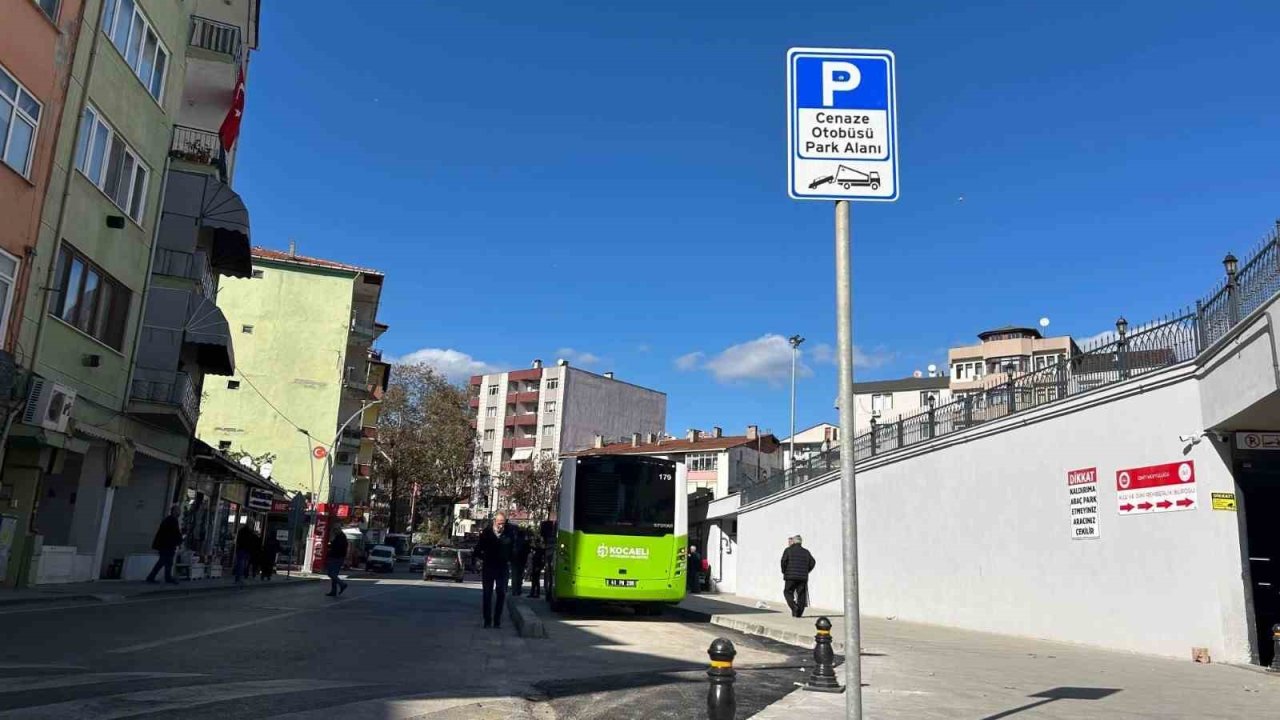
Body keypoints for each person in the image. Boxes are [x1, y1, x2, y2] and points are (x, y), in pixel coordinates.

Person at [475, 512, 516, 628]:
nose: (501, 526)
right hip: (489, 566)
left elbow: (513, 549)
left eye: (503, 523)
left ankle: (497, 620)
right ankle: (487, 620)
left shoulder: (509, 534)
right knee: (487, 594)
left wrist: (511, 559)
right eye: (499, 523)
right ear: (494, 522)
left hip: (502, 567)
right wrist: (481, 559)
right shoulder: (486, 533)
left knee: (501, 593)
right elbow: (478, 549)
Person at [781, 534, 816, 618]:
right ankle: (798, 613)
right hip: (802, 577)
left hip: (790, 577)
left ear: (794, 541)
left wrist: (785, 571)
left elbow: (783, 562)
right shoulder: (806, 552)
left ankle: (794, 607)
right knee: (801, 594)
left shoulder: (788, 550)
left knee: (787, 592)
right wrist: (806, 571)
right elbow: (813, 562)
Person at [146, 505, 183, 585]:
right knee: (163, 561)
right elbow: (174, 533)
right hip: (167, 545)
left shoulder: (170, 519)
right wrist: (179, 540)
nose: (179, 512)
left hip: (166, 544)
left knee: (168, 562)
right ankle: (151, 577)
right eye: (178, 510)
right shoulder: (172, 520)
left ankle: (167, 577)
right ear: (174, 511)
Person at [324, 526, 349, 597]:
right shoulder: (341, 537)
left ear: (338, 530)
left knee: (331, 573)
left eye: (335, 530)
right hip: (338, 557)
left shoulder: (340, 538)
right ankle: (333, 591)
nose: (334, 532)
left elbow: (336, 547)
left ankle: (342, 584)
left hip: (336, 557)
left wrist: (331, 543)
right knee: (334, 574)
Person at [511, 528, 530, 596]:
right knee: (519, 575)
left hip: (514, 560)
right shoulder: (525, 542)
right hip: (522, 560)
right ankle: (518, 589)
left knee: (514, 576)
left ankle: (514, 590)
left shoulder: (514, 541)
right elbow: (528, 551)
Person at [528, 533, 546, 599]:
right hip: (535, 565)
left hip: (537, 566)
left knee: (536, 580)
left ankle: (536, 593)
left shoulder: (540, 550)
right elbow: (531, 546)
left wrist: (539, 567)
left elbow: (541, 560)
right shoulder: (538, 549)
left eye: (537, 543)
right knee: (534, 580)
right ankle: (533, 593)